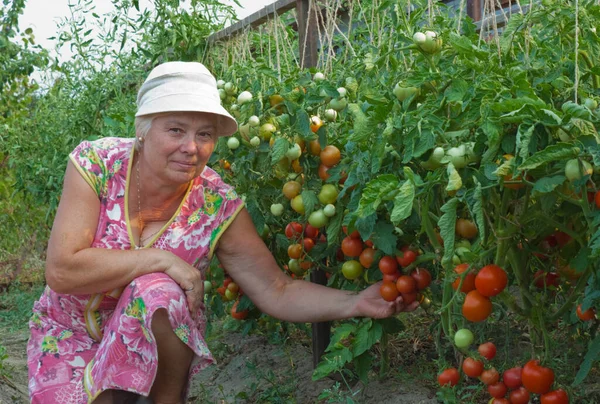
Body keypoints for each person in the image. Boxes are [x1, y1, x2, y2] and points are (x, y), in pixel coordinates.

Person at [26, 61, 419, 404]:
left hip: (160, 354)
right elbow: (63, 272)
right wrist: (163, 259)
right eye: (176, 130)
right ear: (143, 129)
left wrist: (355, 303)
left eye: (204, 134)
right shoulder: (98, 165)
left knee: (157, 292)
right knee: (160, 276)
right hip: (69, 334)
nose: (191, 147)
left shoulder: (216, 203)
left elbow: (275, 289)